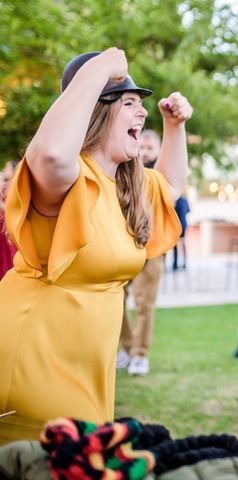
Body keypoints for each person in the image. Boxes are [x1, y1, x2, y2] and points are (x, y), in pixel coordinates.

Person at [0, 48, 190, 423]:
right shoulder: (68, 179)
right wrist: (101, 66)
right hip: (34, 355)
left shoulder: (129, 185)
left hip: (89, 365)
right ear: (97, 112)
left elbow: (172, 184)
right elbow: (52, 153)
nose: (142, 112)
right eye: (130, 103)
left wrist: (175, 126)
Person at [116, 129, 167, 376]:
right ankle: (126, 347)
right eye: (142, 147)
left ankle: (140, 354)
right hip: (124, 248)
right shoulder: (123, 173)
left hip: (153, 250)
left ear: (158, 150)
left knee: (146, 304)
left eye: (150, 148)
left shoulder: (161, 177)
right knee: (117, 301)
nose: (145, 152)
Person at [172, 191, 190, 270]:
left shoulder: (175, 201)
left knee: (175, 244)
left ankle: (175, 264)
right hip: (184, 224)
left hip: (177, 225)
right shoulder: (185, 200)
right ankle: (184, 263)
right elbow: (188, 211)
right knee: (182, 243)